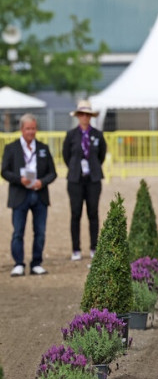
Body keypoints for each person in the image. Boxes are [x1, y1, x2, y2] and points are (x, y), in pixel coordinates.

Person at [1, 114, 58, 276]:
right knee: (18, 231)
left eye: (33, 128)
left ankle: (36, 263)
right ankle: (18, 263)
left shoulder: (43, 148)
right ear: (21, 129)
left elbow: (53, 173)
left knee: (40, 232)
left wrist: (42, 182)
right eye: (28, 129)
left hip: (39, 195)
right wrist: (20, 180)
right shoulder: (11, 149)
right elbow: (4, 171)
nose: (30, 132)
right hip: (20, 195)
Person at [62, 100, 107, 261]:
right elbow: (66, 156)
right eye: (82, 114)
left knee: (93, 213)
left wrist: (92, 167)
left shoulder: (97, 135)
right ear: (78, 116)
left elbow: (101, 155)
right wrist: (76, 168)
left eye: (87, 115)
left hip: (93, 179)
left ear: (90, 116)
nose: (84, 117)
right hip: (75, 179)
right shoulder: (71, 135)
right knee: (75, 213)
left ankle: (94, 247)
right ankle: (76, 248)